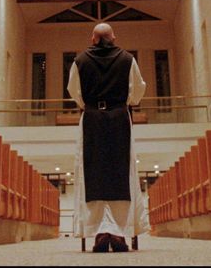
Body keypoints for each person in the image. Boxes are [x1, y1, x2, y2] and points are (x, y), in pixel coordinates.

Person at [67, 23, 149, 252]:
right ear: (113, 37)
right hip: (119, 118)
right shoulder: (127, 59)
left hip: (92, 118)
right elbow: (137, 92)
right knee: (121, 172)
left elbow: (74, 91)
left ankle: (100, 234)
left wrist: (90, 105)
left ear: (93, 39)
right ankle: (119, 234)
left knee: (92, 172)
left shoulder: (80, 61)